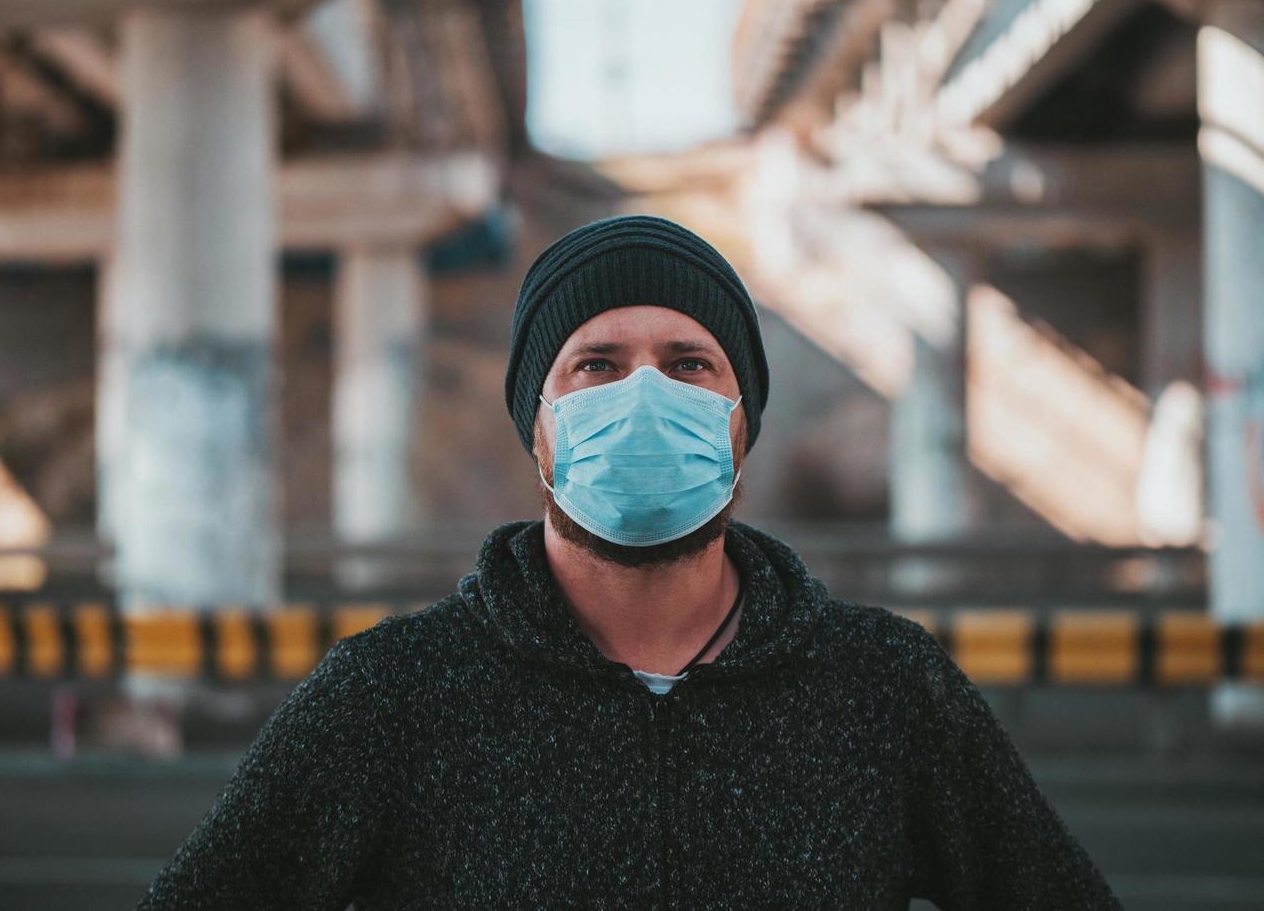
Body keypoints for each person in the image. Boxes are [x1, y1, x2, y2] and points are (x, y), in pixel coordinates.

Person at [138, 214, 1121, 909]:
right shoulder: (393, 695)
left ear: (744, 422)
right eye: (596, 364)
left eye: (690, 362)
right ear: (539, 421)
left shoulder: (885, 688)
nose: (643, 392)